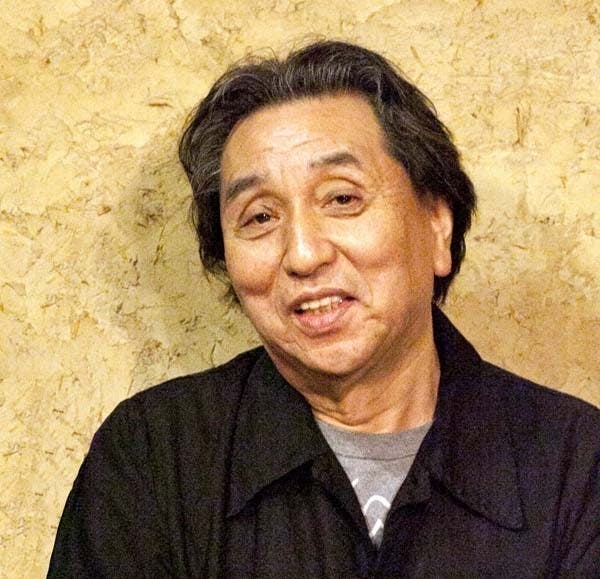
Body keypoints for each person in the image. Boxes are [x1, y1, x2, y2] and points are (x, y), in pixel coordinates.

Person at [48, 40, 599, 577]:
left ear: (436, 226)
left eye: (342, 198)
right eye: (259, 217)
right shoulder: (155, 457)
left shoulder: (576, 464)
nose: (304, 254)